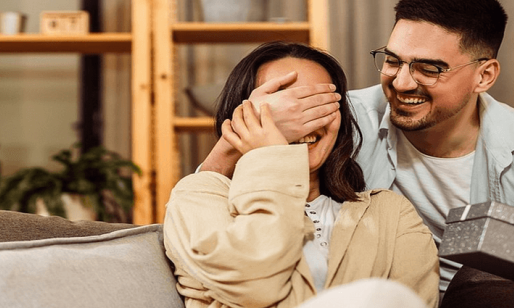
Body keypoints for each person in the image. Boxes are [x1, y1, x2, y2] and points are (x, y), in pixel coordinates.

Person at [198, 0, 514, 307]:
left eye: (429, 68)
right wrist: (246, 125)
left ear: (485, 75)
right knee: (474, 278)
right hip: (398, 292)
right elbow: (223, 192)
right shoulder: (344, 117)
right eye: (393, 60)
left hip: (496, 297)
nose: (402, 82)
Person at [163, 41, 440, 308]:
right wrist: (269, 152)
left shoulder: (389, 213)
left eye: (317, 103)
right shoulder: (196, 200)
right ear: (243, 117)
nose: (299, 119)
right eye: (284, 103)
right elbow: (254, 288)